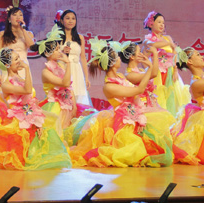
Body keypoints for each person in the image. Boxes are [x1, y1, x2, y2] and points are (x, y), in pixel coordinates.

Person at [65, 39, 174, 168]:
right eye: (116, 57)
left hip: (133, 112)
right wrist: (150, 68)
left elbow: (136, 94)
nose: (119, 59)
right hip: (122, 119)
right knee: (131, 149)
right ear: (112, 63)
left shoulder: (120, 76)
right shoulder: (109, 86)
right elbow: (138, 90)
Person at [142, 11, 190, 116]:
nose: (162, 25)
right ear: (151, 24)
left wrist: (175, 70)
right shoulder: (148, 40)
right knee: (159, 96)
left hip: (170, 71)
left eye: (163, 23)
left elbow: (174, 54)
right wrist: (149, 69)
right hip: (157, 74)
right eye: (159, 22)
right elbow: (152, 47)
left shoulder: (168, 38)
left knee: (173, 96)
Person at [32, 24, 77, 135]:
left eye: (58, 49)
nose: (59, 52)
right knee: (56, 134)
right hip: (55, 107)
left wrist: (74, 104)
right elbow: (65, 83)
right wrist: (68, 63)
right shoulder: (46, 72)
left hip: (66, 105)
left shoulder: (60, 66)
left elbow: (69, 87)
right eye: (56, 50)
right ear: (47, 53)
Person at [56, 9, 92, 106]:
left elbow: (83, 58)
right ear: (62, 21)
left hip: (77, 70)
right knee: (64, 99)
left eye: (73, 18)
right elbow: (52, 56)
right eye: (67, 18)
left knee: (78, 99)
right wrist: (62, 52)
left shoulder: (80, 38)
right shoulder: (57, 37)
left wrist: (86, 77)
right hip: (63, 69)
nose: (70, 21)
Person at [0, 6, 34, 79]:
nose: (18, 17)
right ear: (9, 19)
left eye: (20, 15)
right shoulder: (2, 34)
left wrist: (23, 29)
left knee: (25, 85)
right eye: (14, 15)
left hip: (22, 67)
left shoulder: (28, 34)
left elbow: (32, 47)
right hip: (8, 68)